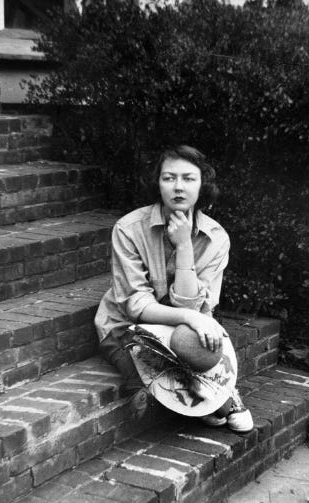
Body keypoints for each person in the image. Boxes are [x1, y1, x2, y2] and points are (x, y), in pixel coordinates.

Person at [94, 145, 253, 433]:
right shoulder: (128, 228)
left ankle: (220, 391)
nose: (178, 187)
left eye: (189, 178)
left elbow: (195, 307)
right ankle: (211, 397)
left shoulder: (216, 238)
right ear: (158, 183)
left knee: (197, 352)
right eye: (169, 178)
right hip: (127, 325)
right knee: (144, 379)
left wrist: (184, 246)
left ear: (203, 185)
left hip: (183, 328)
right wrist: (190, 317)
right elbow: (136, 306)